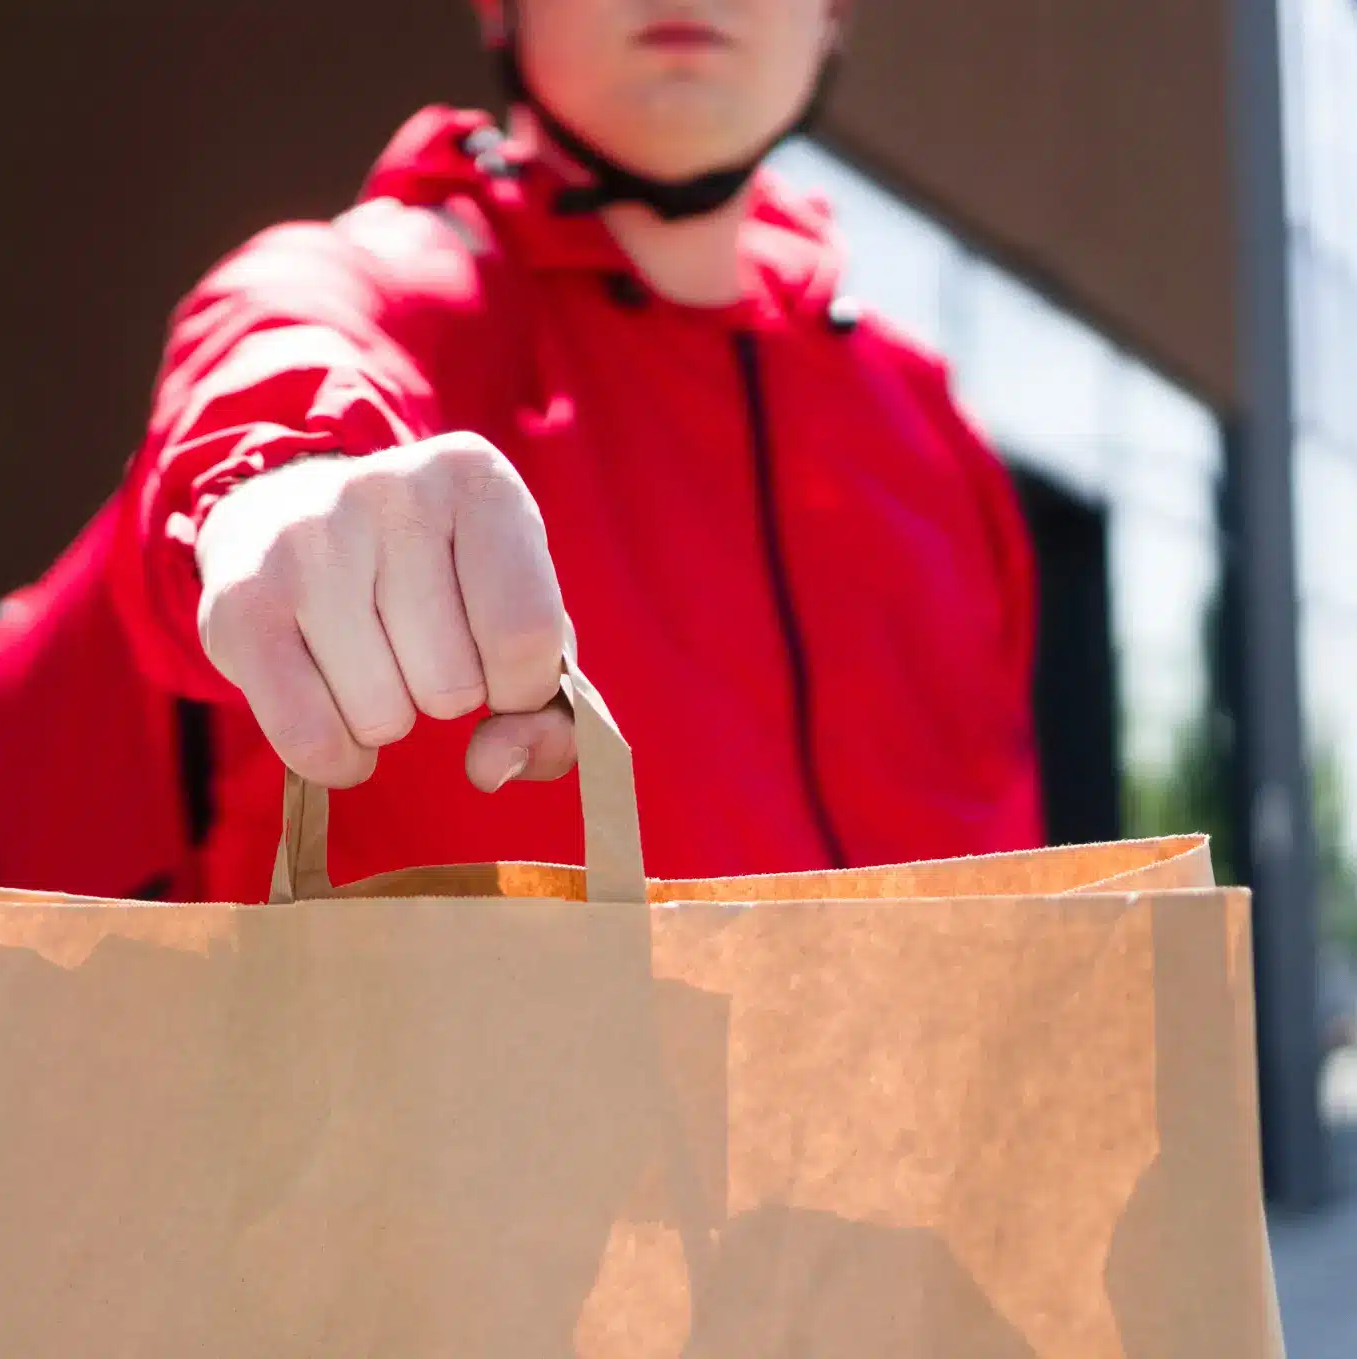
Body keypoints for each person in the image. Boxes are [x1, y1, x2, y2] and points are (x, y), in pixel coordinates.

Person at [108, 0, 1044, 901]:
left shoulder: (931, 433)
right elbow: (276, 353)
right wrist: (281, 489)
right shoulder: (373, 288)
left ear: (835, 11)